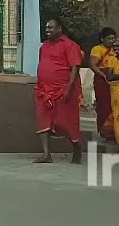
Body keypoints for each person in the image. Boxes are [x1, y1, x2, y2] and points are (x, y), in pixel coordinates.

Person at [34, 17, 83, 164]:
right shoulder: (44, 46)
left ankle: (77, 147)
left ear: (59, 29)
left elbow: (75, 68)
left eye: (51, 28)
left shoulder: (70, 45)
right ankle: (46, 154)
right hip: (43, 90)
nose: (47, 30)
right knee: (43, 121)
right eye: (46, 27)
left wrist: (69, 89)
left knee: (65, 122)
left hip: (62, 90)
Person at [88, 27, 117, 141]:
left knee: (114, 106)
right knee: (104, 106)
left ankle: (116, 131)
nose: (112, 41)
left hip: (115, 80)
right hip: (102, 80)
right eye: (109, 38)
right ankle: (105, 131)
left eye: (113, 38)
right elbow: (92, 65)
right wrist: (104, 75)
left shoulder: (115, 49)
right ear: (102, 39)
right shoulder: (97, 49)